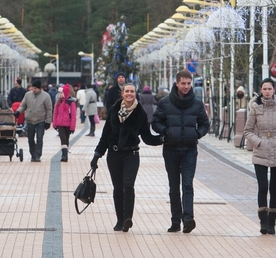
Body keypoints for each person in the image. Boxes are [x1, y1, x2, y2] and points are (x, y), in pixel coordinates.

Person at [90, 83, 162, 232]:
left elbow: (147, 137)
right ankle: (120, 220)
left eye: (132, 91)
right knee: (118, 188)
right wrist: (97, 155)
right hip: (114, 154)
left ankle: (128, 218)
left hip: (131, 154)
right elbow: (106, 135)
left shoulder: (140, 113)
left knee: (128, 186)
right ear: (122, 94)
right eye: (127, 91)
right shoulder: (114, 110)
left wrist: (162, 139)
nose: (130, 94)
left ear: (136, 94)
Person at [152, 70, 210, 234]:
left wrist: (197, 134)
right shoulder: (165, 103)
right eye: (183, 83)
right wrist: (167, 132)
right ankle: (175, 220)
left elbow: (205, 124)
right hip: (171, 149)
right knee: (173, 186)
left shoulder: (197, 104)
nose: (186, 86)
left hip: (190, 150)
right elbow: (156, 122)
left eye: (188, 83)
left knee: (187, 184)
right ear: (176, 83)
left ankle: (188, 219)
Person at [243, 78, 276, 235]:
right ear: (261, 90)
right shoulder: (255, 107)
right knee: (263, 186)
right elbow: (247, 130)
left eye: (269, 89)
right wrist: (258, 142)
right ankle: (263, 221)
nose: (267, 91)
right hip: (261, 149)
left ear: (274, 89)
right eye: (264, 89)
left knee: (274, 187)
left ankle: (272, 222)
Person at [16, 79, 52, 162]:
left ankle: (38, 155)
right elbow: (23, 105)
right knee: (30, 138)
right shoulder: (28, 95)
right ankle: (32, 153)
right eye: (32, 88)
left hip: (41, 120)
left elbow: (49, 110)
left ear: (39, 88)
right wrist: (18, 111)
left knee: (39, 138)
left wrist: (48, 121)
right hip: (30, 120)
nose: (33, 90)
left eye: (35, 88)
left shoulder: (46, 96)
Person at [52, 84, 76, 162]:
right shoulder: (59, 102)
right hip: (60, 124)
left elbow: (73, 116)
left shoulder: (71, 102)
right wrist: (55, 123)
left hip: (68, 125)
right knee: (63, 139)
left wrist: (72, 127)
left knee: (66, 140)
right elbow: (55, 114)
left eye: (62, 93)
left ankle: (65, 154)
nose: (60, 95)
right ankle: (64, 155)